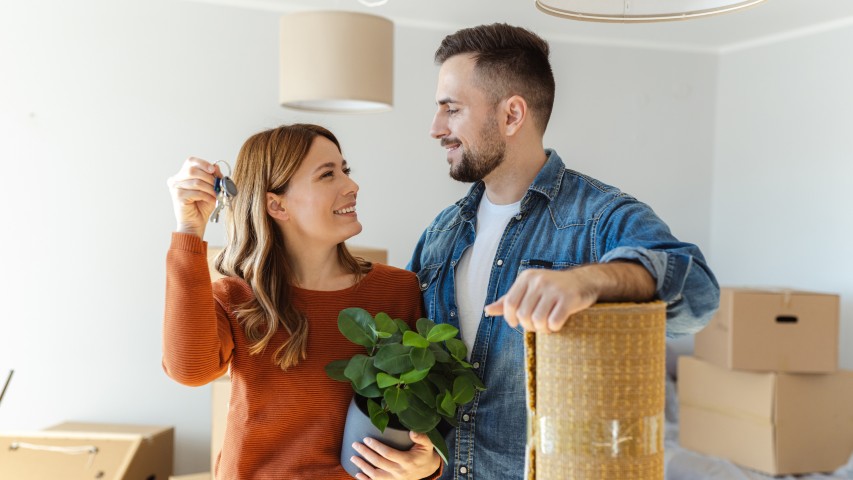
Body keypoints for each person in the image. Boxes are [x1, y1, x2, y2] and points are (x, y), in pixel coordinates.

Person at [407, 24, 720, 479]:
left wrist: (589, 281)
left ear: (512, 115)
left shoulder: (601, 218)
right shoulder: (441, 233)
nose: (435, 128)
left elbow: (700, 297)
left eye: (451, 110)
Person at [163, 124, 442, 479]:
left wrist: (430, 465)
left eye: (346, 170)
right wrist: (188, 231)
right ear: (276, 204)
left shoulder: (398, 291)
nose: (351, 186)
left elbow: (426, 415)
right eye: (328, 175)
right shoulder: (236, 298)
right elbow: (189, 370)